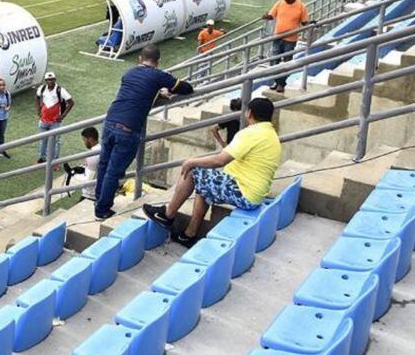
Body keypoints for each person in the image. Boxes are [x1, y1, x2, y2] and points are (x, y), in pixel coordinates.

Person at [143, 98, 282, 247]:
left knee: (193, 172)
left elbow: (219, 161)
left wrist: (191, 161)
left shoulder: (251, 133)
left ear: (249, 113)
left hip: (244, 193)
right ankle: (189, 234)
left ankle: (167, 214)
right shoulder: (272, 135)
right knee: (205, 185)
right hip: (254, 194)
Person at [95, 45, 194, 220]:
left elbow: (137, 90)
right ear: (158, 61)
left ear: (140, 59)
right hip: (128, 128)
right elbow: (186, 88)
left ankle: (99, 201)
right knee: (113, 171)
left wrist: (157, 93)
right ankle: (102, 210)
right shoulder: (158, 75)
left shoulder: (129, 72)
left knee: (104, 164)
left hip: (110, 122)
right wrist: (165, 90)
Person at [262, 0, 311, 93]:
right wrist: (266, 16)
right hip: (278, 37)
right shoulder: (279, 4)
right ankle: (277, 81)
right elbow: (271, 15)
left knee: (287, 62)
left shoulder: (301, 7)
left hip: (290, 40)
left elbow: (304, 22)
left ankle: (281, 83)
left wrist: (310, 23)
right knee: (274, 60)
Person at [35, 72, 74, 165]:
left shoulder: (60, 90)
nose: (50, 81)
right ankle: (42, 158)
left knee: (55, 142)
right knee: (43, 140)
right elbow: (37, 98)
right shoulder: (42, 88)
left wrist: (63, 115)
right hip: (43, 120)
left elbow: (71, 102)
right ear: (45, 81)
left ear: (55, 80)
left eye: (52, 79)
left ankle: (55, 162)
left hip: (55, 122)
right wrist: (38, 111)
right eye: (48, 80)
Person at [63, 127, 100, 201]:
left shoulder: (92, 155)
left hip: (91, 195)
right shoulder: (102, 148)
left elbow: (88, 181)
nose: (84, 142)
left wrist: (73, 174)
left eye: (84, 140)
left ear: (90, 139)